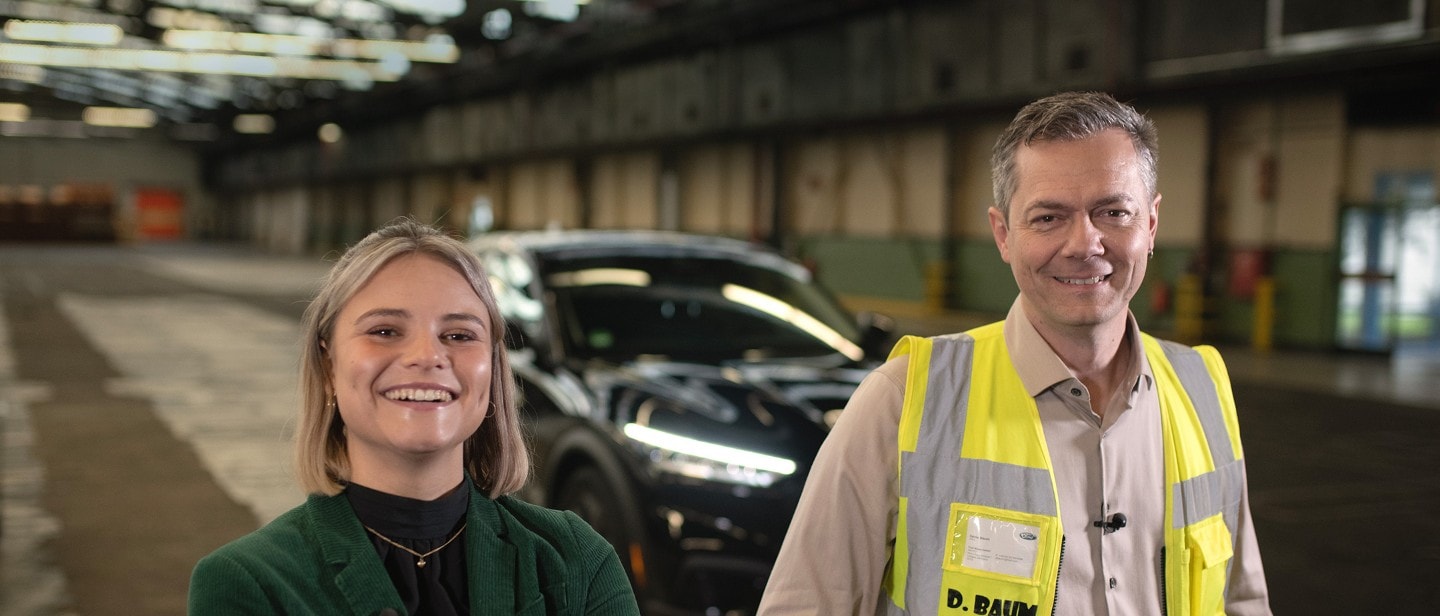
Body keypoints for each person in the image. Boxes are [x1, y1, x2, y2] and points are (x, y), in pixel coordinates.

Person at [757, 92, 1271, 615]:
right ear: (1003, 235)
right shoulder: (903, 401)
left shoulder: (1203, 389)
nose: (1084, 243)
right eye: (1048, 218)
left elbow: (1241, 600)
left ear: (1152, 225)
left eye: (1113, 211)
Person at [189, 219, 640, 615]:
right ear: (328, 365)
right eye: (385, 331)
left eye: (459, 334)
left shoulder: (576, 559)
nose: (428, 356)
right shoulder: (248, 582)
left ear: (492, 369)